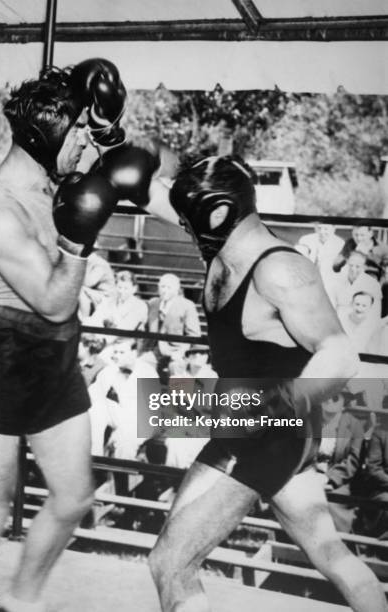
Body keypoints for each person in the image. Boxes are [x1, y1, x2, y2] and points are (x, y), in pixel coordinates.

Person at [82, 147, 387, 611]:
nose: (184, 226)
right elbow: (157, 196)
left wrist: (276, 410)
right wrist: (106, 142)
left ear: (217, 211)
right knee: (330, 552)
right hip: (252, 425)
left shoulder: (281, 271)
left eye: (191, 218)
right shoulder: (221, 237)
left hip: (267, 432)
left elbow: (341, 354)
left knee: (171, 562)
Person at [0, 59, 126, 612]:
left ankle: (19, 602)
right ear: (49, 134)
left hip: (57, 354)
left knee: (73, 499)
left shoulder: (57, 175)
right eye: (76, 134)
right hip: (0, 355)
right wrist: (78, 242)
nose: (84, 147)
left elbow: (143, 164)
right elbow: (52, 300)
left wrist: (112, 132)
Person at [315, 392, 365, 532]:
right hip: (310, 475)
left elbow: (353, 461)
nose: (330, 400)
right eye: (327, 396)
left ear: (344, 403)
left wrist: (329, 479)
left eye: (336, 397)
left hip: (338, 482)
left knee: (331, 504)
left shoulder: (354, 426)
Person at [141, 273, 201, 382]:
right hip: (156, 351)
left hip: (178, 351)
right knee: (141, 364)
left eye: (169, 287)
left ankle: (181, 399)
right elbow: (144, 328)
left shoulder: (187, 306)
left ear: (177, 289)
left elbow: (194, 335)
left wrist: (181, 352)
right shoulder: (153, 303)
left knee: (176, 368)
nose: (165, 290)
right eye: (162, 287)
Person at [86, 269, 148, 337]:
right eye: (119, 287)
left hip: (124, 342)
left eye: (126, 288)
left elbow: (126, 328)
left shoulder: (140, 306)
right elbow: (96, 317)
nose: (121, 291)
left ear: (134, 289)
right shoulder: (108, 301)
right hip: (101, 336)